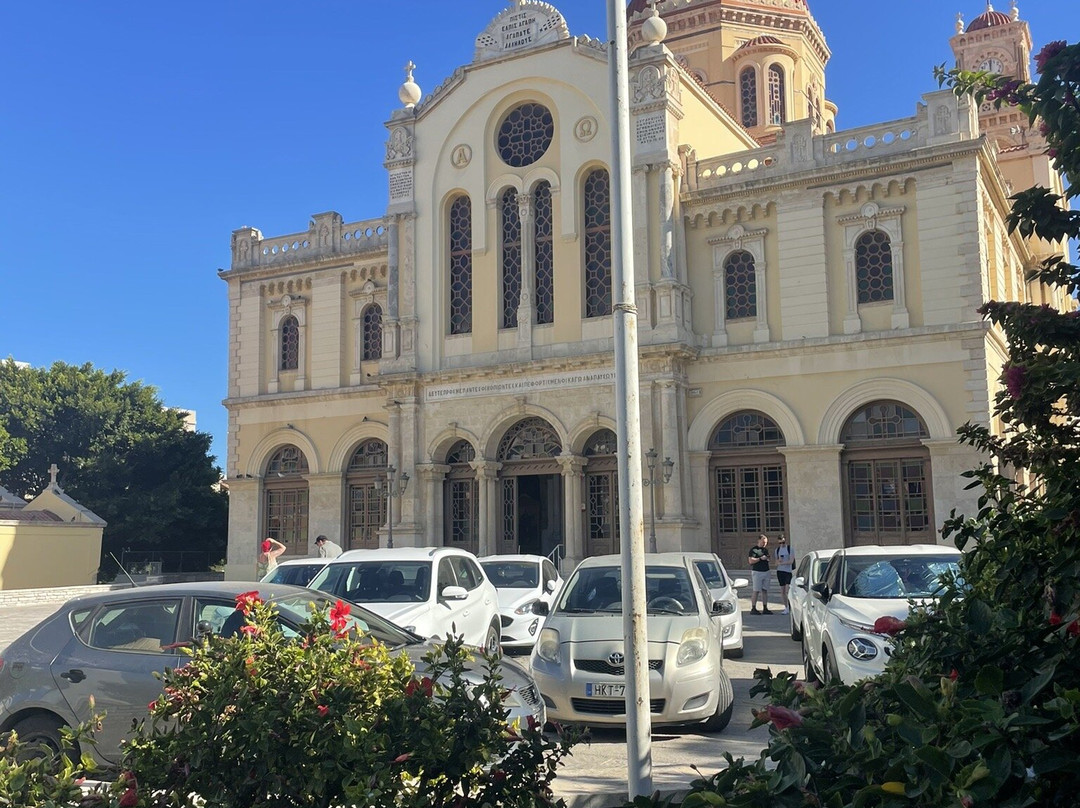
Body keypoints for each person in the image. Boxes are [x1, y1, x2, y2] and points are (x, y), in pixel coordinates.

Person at [747, 534, 772, 615]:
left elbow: (768, 558)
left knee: (765, 590)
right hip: (757, 572)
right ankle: (753, 608)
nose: (764, 544)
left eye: (766, 542)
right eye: (763, 542)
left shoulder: (765, 550)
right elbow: (751, 561)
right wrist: (760, 558)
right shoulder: (754, 550)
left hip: (766, 571)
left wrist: (767, 558)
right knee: (756, 590)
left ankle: (765, 607)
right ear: (759, 541)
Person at [774, 534, 795, 615]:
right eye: (780, 543)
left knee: (787, 590)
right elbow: (775, 563)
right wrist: (779, 560)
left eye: (783, 542)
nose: (782, 544)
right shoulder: (777, 550)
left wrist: (783, 563)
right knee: (782, 591)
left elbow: (791, 561)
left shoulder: (790, 549)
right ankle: (786, 607)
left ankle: (790, 606)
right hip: (780, 571)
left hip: (788, 571)